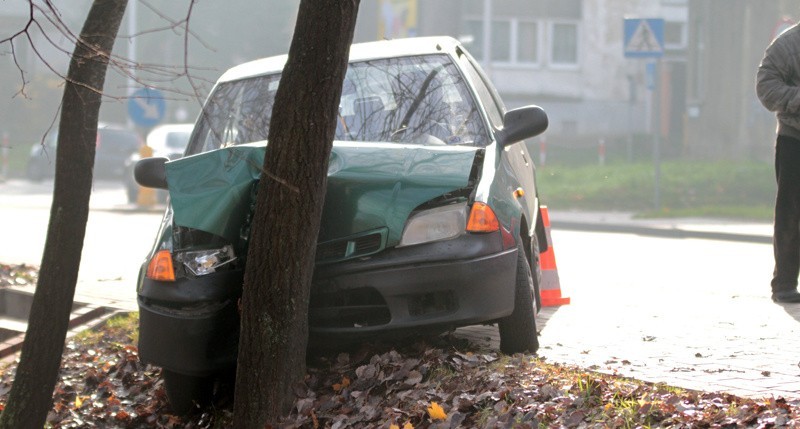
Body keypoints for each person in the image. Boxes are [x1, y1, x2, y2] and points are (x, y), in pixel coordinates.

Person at [756, 22, 800, 303]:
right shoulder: (788, 44)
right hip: (795, 139)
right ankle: (784, 284)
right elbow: (766, 85)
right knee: (792, 212)